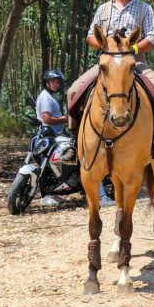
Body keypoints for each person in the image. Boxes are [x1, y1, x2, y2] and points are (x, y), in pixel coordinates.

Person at [61, 0, 154, 164]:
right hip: (107, 63)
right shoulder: (103, 9)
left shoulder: (144, 8)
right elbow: (90, 35)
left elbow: (153, 37)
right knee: (72, 92)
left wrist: (133, 49)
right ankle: (72, 142)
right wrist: (105, 46)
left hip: (135, 62)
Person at [37, 70, 110, 206]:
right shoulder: (47, 98)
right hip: (55, 135)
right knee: (89, 158)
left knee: (46, 165)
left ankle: (49, 193)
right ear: (47, 83)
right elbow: (46, 118)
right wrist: (65, 118)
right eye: (53, 82)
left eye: (58, 82)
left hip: (51, 134)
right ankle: (100, 197)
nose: (56, 84)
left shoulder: (46, 96)